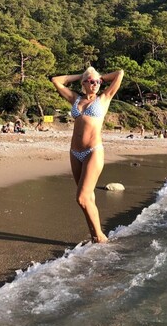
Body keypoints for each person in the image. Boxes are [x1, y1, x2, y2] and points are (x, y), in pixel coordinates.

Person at [51, 66, 124, 243]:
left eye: (97, 82)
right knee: (88, 197)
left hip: (93, 151)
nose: (95, 84)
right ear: (83, 83)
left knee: (82, 198)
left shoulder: (104, 98)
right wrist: (82, 75)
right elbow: (56, 80)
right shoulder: (75, 99)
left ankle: (99, 238)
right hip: (75, 153)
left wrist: (99, 77)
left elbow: (119, 74)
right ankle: (95, 236)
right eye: (91, 82)